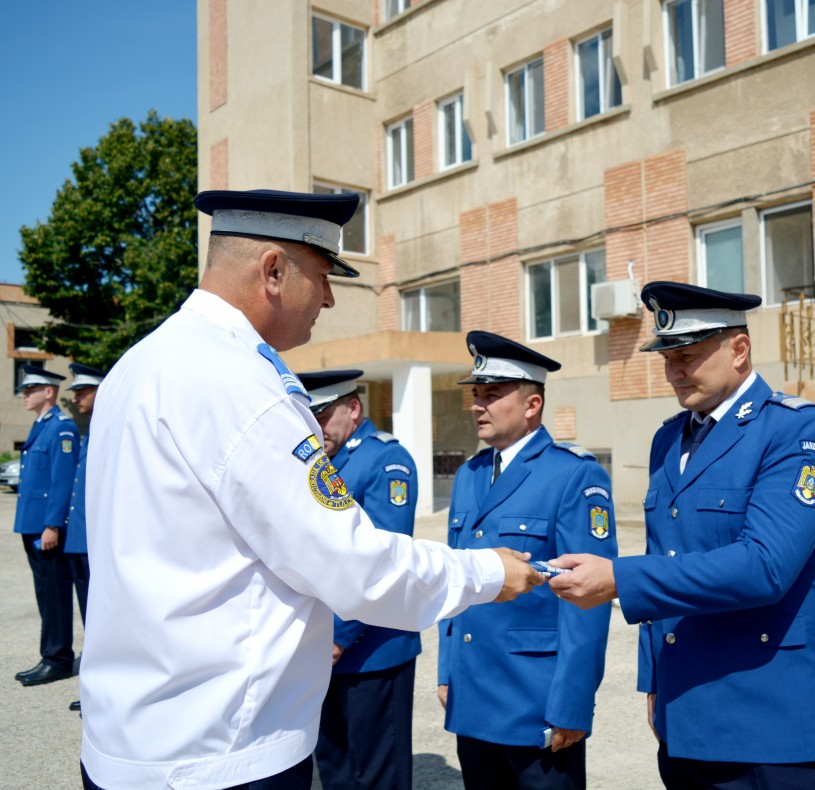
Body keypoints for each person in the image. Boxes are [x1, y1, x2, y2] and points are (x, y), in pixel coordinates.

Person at [79, 189, 544, 790]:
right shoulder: (237, 382)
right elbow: (352, 564)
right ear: (273, 271)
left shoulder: (140, 365)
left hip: (132, 742)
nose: (327, 298)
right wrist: (485, 574)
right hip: (221, 751)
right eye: (323, 276)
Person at [549, 281, 815, 789]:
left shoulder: (794, 431)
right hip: (686, 716)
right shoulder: (669, 438)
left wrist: (620, 579)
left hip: (772, 726)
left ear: (739, 349)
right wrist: (654, 681)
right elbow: (666, 553)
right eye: (668, 358)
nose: (675, 370)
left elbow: (764, 567)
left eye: (688, 355)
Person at [437, 331, 617, 790]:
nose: (478, 405)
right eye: (476, 395)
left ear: (532, 404)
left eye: (492, 395)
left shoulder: (573, 474)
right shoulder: (470, 474)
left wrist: (573, 703)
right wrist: (447, 670)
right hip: (474, 693)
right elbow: (454, 575)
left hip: (535, 700)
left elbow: (588, 599)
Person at [298, 369, 421, 790]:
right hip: (321, 647)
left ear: (353, 409)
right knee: (334, 768)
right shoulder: (319, 461)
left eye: (321, 415)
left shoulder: (385, 460)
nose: (314, 427)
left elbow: (383, 562)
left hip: (372, 650)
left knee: (376, 776)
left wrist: (337, 636)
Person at [13, 365, 80, 687]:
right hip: (32, 524)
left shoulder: (61, 428)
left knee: (54, 593)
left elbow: (61, 480)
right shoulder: (41, 426)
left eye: (30, 390)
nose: (25, 395)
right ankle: (51, 654)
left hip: (46, 527)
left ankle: (57, 658)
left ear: (49, 392)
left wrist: (53, 524)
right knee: (44, 592)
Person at [64, 362, 106, 713]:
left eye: (82, 392)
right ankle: (94, 688)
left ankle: (103, 691)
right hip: (80, 539)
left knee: (103, 621)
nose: (76, 398)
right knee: (89, 619)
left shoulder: (108, 430)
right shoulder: (90, 431)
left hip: (98, 541)